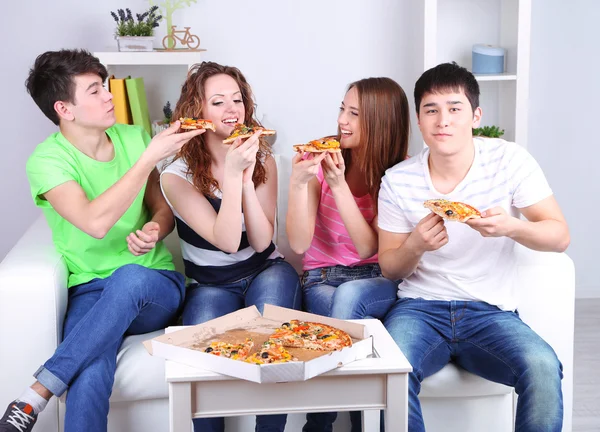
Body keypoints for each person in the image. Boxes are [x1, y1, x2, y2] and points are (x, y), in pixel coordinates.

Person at [0, 49, 202, 432]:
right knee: (90, 370)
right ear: (65, 108)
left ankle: (35, 394)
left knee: (129, 278)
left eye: (105, 86)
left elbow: (163, 211)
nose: (109, 96)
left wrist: (155, 228)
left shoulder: (132, 137)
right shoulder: (47, 161)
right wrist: (147, 160)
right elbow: (94, 223)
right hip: (90, 290)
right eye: (95, 91)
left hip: (154, 284)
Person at [378, 62, 570, 432]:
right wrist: (416, 245)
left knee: (543, 366)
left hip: (491, 311)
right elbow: (390, 267)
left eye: (454, 108)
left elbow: (559, 235)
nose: (442, 121)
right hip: (420, 309)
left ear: (476, 115)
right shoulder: (398, 181)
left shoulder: (508, 160)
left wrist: (511, 227)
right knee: (393, 373)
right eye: (431, 110)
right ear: (419, 120)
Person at [160, 61, 301, 432]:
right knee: (202, 363)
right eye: (218, 101)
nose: (231, 109)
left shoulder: (264, 158)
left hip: (264, 269)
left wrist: (247, 167)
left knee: (274, 345)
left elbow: (259, 240)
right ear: (198, 112)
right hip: (210, 284)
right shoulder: (175, 175)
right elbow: (224, 241)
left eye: (236, 100)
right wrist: (236, 174)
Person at [285, 77, 410, 432]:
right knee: (343, 322)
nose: (342, 120)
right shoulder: (319, 159)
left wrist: (339, 187)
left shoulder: (400, 173)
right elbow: (297, 243)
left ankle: (321, 425)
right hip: (322, 278)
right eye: (342, 108)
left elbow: (369, 248)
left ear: (381, 122)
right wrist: (297, 183)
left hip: (377, 279)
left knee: (350, 305)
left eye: (354, 113)